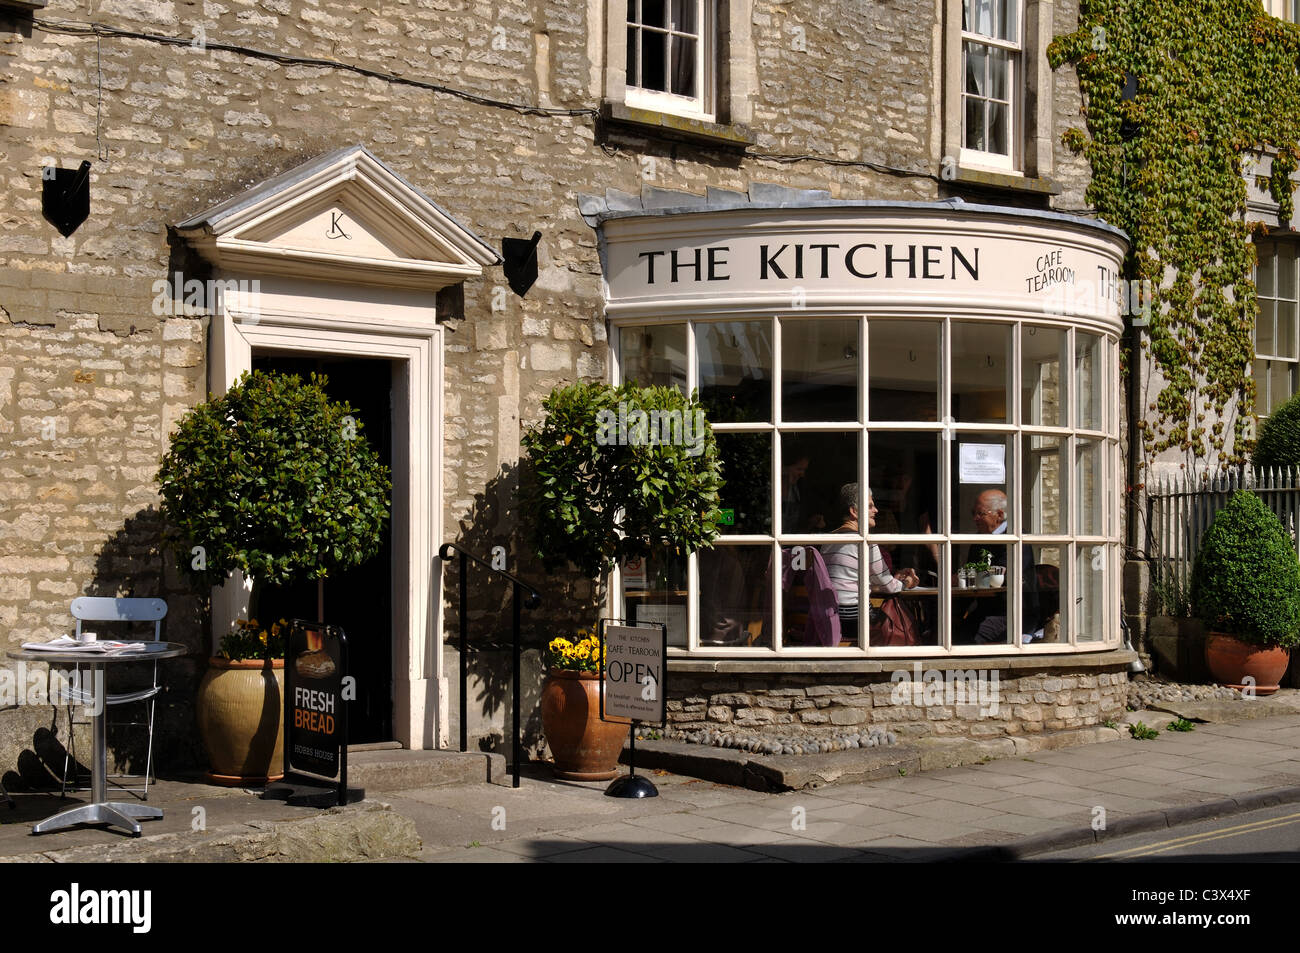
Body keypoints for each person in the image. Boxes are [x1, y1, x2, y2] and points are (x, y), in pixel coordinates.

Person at [821, 483, 917, 643]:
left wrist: (892, 579)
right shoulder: (866, 542)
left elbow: (848, 578)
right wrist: (907, 582)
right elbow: (888, 586)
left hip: (830, 616)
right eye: (870, 506)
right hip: (854, 618)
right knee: (900, 620)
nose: (876, 510)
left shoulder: (828, 541)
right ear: (854, 511)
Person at [957, 489, 1040, 644]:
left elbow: (1001, 577)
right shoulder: (979, 539)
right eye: (973, 513)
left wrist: (970, 577)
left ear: (1000, 515)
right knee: (945, 629)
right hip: (985, 611)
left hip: (1013, 613)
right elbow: (970, 571)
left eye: (980, 514)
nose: (975, 518)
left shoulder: (1015, 539)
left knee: (968, 638)